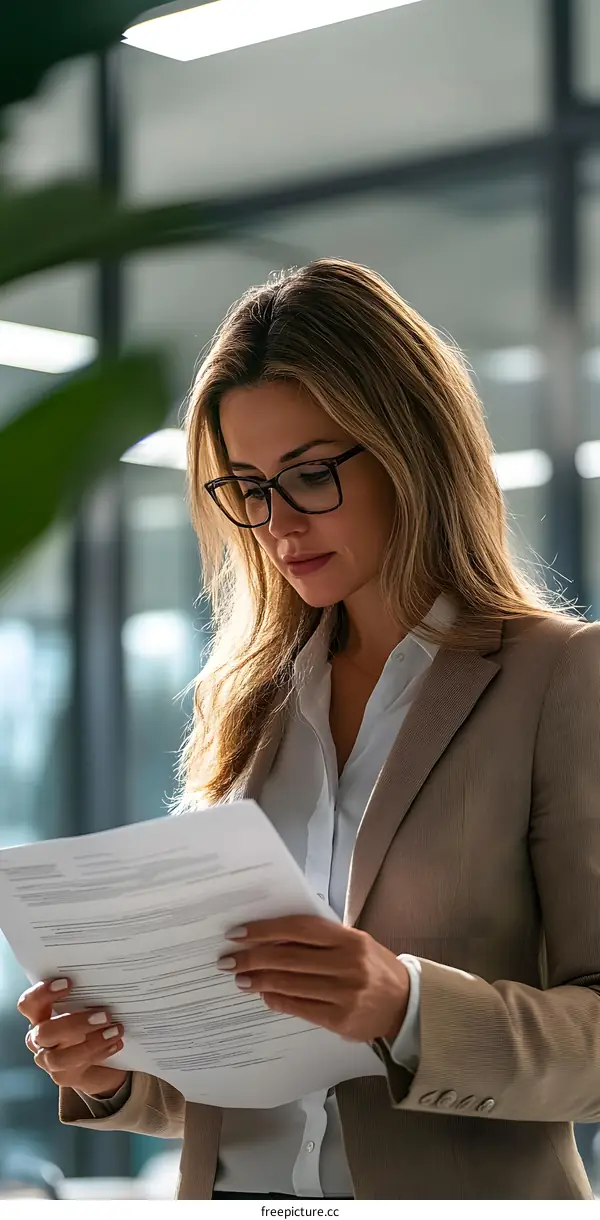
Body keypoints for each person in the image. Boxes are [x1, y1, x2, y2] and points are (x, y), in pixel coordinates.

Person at [17, 258, 600, 1200]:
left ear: (413, 447)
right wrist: (114, 1072)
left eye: (312, 474)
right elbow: (238, 1070)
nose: (277, 523)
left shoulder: (560, 678)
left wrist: (407, 1007)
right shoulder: (245, 708)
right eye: (247, 487)